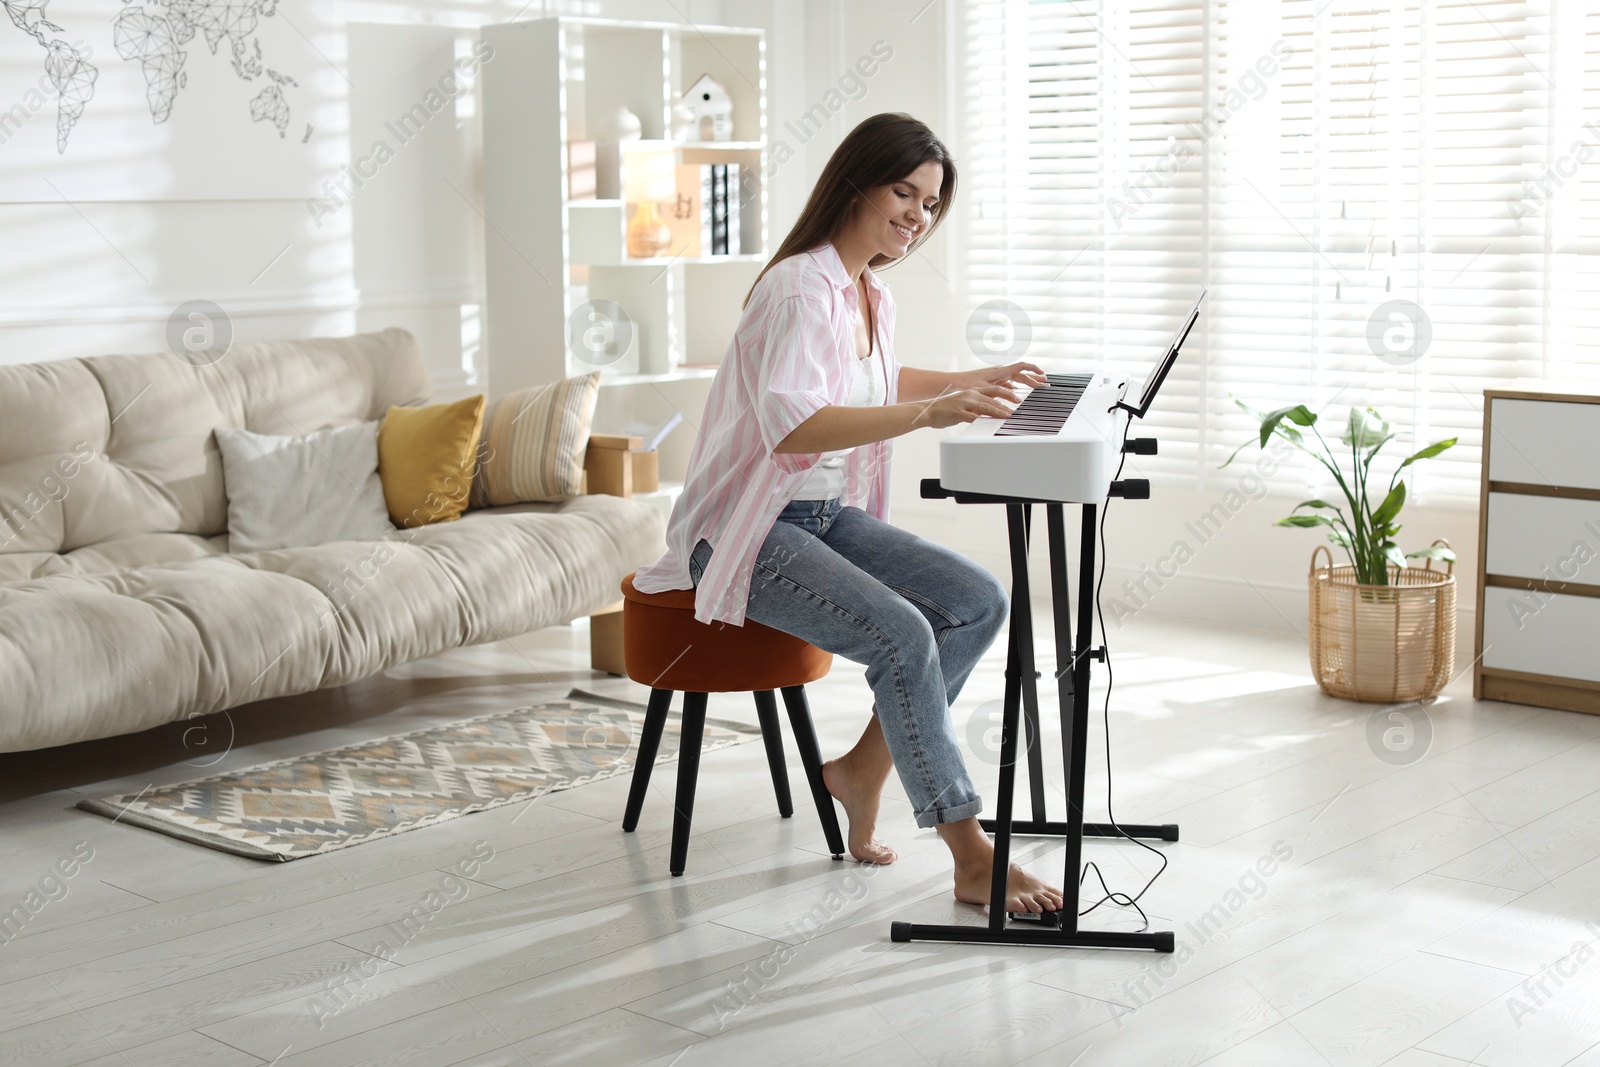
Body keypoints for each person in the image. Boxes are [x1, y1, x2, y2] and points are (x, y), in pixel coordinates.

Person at [631, 112, 1064, 914]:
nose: (917, 214)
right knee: (902, 632)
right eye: (904, 191)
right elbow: (795, 422)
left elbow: (871, 376)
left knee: (975, 602)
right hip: (746, 532)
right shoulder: (799, 287)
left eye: (931, 203)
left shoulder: (867, 291)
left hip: (820, 515)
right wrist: (934, 415)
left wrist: (972, 378)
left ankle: (861, 769)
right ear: (856, 182)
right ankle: (972, 854)